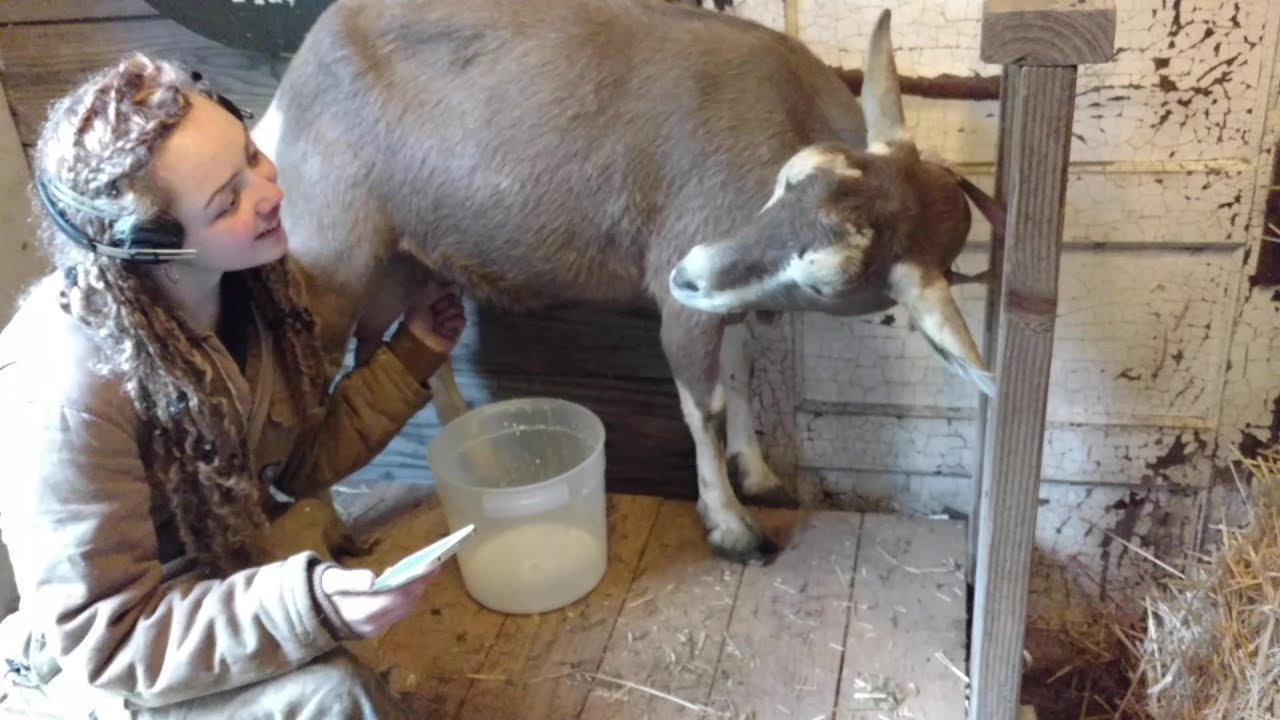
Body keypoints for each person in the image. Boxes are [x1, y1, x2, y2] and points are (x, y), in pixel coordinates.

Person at [0, 52, 466, 719]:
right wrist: (304, 604)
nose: (269, 191)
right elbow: (109, 641)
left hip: (219, 577)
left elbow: (293, 465)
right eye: (227, 202)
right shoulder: (66, 395)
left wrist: (410, 358)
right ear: (152, 246)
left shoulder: (254, 288)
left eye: (250, 153)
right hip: (123, 662)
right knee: (336, 700)